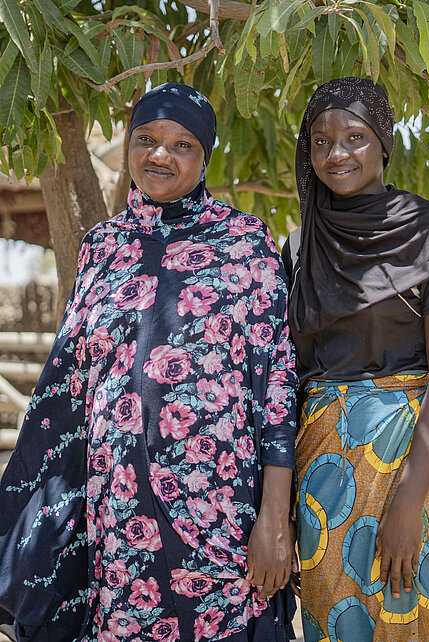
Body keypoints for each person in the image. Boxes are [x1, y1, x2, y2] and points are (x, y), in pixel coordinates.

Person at [0, 83, 298, 642]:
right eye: (147, 139)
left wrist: (274, 517)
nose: (161, 155)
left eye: (182, 144)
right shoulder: (103, 246)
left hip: (220, 513)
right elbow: (74, 383)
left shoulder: (245, 243)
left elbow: (276, 386)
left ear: (205, 156)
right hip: (119, 518)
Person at [282, 77, 429, 642]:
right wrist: (287, 508)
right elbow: (288, 380)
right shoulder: (299, 249)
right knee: (333, 623)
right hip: (322, 481)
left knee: (418, 620)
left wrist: (409, 503)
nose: (336, 153)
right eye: (319, 141)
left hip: (409, 468)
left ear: (384, 143)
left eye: (354, 137)